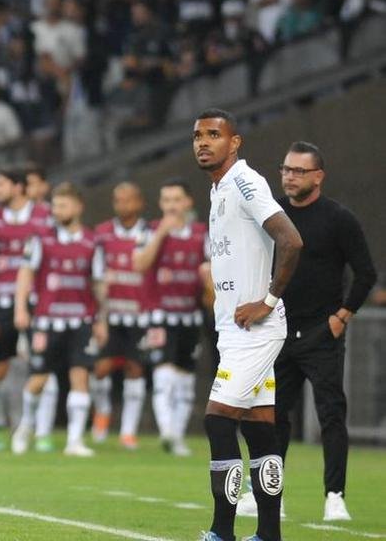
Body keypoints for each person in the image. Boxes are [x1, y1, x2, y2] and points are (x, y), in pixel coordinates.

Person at [233, 142, 376, 523]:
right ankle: (269, 496)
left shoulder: (339, 219)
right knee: (271, 416)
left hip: (321, 333)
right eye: (286, 169)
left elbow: (366, 273)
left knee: (331, 414)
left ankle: (334, 496)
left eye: (299, 170)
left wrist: (342, 316)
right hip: (277, 331)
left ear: (318, 176)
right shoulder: (272, 214)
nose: (290, 177)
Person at [193, 108, 302, 541]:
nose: (204, 142)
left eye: (214, 134)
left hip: (254, 331)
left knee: (218, 420)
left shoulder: (244, 182)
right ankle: (269, 534)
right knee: (259, 427)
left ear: (234, 142)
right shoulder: (219, 188)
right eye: (198, 135)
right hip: (233, 330)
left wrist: (268, 301)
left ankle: (222, 532)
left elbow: (291, 240)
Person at [10, 182, 107, 457]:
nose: (57, 210)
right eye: (54, 205)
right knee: (39, 379)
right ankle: (25, 426)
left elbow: (99, 284)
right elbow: (25, 274)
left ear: (78, 207)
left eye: (63, 205)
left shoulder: (92, 242)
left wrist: (101, 319)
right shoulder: (40, 239)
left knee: (80, 376)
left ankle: (74, 440)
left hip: (80, 320)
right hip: (47, 320)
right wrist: (20, 308)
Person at [0, 168, 52, 451]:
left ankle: (39, 430)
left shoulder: (43, 217)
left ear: (18, 187)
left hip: (38, 302)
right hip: (2, 301)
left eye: (0, 184)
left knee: (42, 366)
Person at [135, 178, 211, 456]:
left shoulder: (202, 234)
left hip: (190, 316)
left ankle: (177, 436)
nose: (171, 206)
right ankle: (166, 430)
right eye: (166, 200)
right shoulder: (149, 230)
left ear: (188, 202)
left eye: (176, 200)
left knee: (185, 380)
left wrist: (209, 284)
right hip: (160, 314)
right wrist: (160, 235)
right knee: (163, 374)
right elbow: (139, 264)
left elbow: (212, 273)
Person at [90, 182, 153, 449]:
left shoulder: (150, 233)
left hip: (140, 316)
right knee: (100, 369)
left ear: (140, 203)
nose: (122, 205)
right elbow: (96, 278)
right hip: (111, 315)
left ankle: (128, 431)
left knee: (135, 369)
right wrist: (99, 317)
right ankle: (103, 411)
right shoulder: (102, 234)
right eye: (118, 200)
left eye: (128, 200)